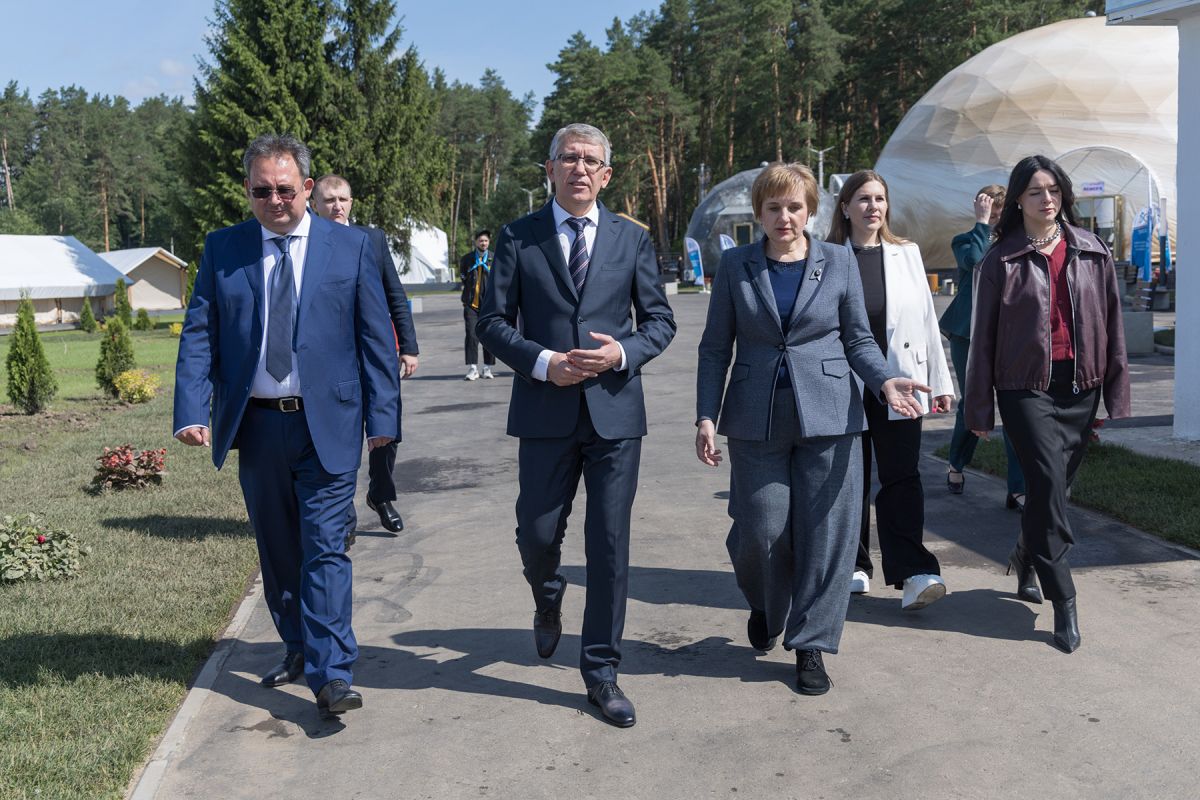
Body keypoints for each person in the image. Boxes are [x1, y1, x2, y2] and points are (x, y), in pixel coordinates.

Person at [173, 134, 400, 718]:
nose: (274, 200)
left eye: (284, 189)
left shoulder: (351, 246)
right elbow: (201, 332)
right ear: (248, 191)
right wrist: (192, 409)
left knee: (325, 550)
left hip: (329, 423)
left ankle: (333, 674)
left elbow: (375, 338)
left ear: (307, 186)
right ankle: (298, 647)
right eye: (261, 191)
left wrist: (383, 418)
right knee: (278, 552)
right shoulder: (224, 248)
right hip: (257, 427)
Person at [697, 163, 932, 695]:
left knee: (828, 534)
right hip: (755, 418)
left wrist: (883, 381)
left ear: (810, 212)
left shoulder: (839, 260)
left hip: (831, 414)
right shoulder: (735, 265)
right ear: (759, 212)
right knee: (760, 529)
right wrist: (706, 414)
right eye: (773, 207)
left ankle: (812, 645)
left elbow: (857, 339)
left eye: (794, 207)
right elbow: (714, 348)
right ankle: (766, 603)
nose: (784, 217)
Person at [476, 123, 676, 727]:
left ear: (606, 175)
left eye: (592, 160)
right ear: (550, 168)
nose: (580, 168)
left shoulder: (632, 239)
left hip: (616, 415)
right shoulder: (518, 237)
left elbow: (660, 321)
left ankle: (601, 671)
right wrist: (544, 363)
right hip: (544, 411)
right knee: (537, 535)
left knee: (610, 544)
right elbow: (491, 322)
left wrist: (621, 354)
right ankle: (547, 596)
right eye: (569, 158)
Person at [965, 154, 1130, 653]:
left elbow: (1113, 325)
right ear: (1017, 199)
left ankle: (1026, 553)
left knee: (1050, 490)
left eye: (1054, 190)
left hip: (1081, 386)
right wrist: (979, 409)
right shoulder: (1000, 260)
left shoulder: (1092, 250)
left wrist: (1115, 392)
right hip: (1024, 387)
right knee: (1048, 483)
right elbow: (982, 340)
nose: (1047, 199)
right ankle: (1064, 598)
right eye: (1035, 191)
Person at [826, 170, 955, 608]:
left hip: (901, 382)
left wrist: (940, 382)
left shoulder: (906, 253)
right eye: (863, 199)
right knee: (849, 478)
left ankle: (913, 572)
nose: (873, 207)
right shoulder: (827, 257)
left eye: (880, 199)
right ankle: (853, 564)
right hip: (845, 384)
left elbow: (926, 320)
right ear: (845, 207)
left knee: (902, 475)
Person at [311, 174, 419, 535]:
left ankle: (381, 495)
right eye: (329, 200)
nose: (337, 206)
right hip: (333, 357)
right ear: (314, 204)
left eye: (343, 199)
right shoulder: (307, 245)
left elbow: (395, 294)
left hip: (377, 352)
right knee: (339, 434)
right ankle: (343, 514)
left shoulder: (372, 239)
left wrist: (409, 347)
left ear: (351, 203)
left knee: (386, 429)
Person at [939, 186, 1027, 510]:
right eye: (992, 211)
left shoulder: (1019, 241)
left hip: (1009, 333)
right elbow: (975, 261)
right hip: (968, 333)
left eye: (1001, 211)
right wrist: (981, 223)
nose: (996, 217)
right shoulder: (965, 240)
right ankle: (956, 463)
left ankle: (1018, 488)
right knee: (972, 402)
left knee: (1015, 407)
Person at [460, 230, 496, 380]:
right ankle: (473, 368)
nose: (483, 243)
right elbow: (463, 277)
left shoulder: (494, 258)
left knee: (489, 335)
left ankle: (487, 368)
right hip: (471, 304)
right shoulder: (467, 259)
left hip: (489, 304)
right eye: (481, 241)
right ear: (476, 242)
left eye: (486, 241)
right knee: (471, 335)